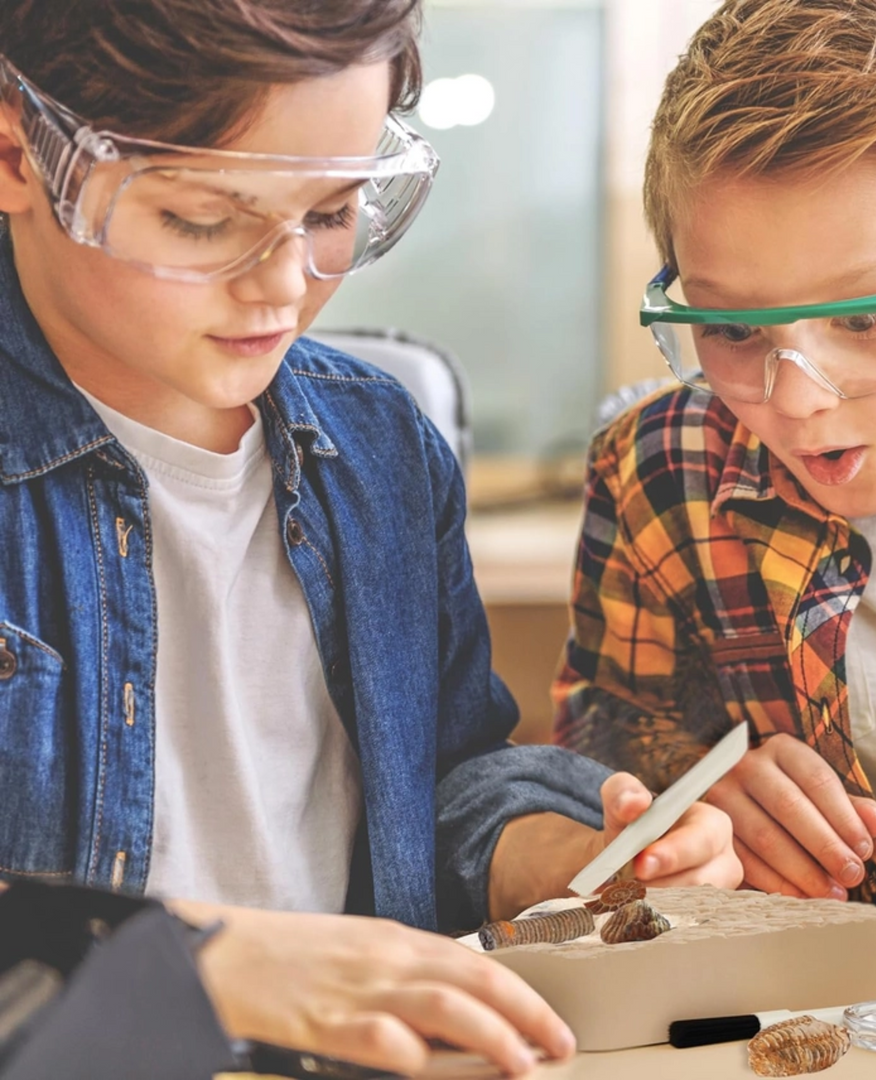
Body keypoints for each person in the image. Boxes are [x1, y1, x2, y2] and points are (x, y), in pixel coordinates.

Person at [0, 0, 742, 1074]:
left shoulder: (380, 446)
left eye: (338, 210)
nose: (284, 282)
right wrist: (192, 968)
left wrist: (555, 865)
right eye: (203, 219)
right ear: (21, 151)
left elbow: (434, 794)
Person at [553, 0, 876, 996]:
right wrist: (693, 794)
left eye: (872, 316)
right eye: (732, 330)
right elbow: (606, 731)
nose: (793, 399)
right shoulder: (659, 469)